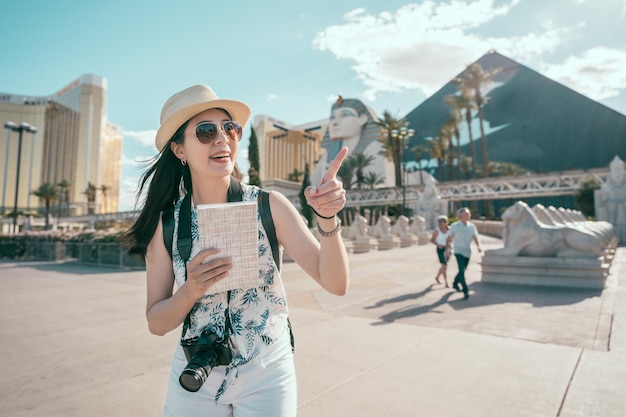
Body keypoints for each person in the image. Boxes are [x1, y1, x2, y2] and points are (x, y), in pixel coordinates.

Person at [121, 84, 350, 417]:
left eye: (230, 129)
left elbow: (336, 284)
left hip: (267, 372)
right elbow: (156, 322)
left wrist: (327, 219)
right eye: (205, 131)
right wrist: (191, 290)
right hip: (196, 376)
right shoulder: (168, 224)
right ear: (179, 150)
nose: (221, 138)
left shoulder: (270, 206)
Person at [447, 207, 482, 299]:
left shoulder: (472, 226)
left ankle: (455, 283)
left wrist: (479, 246)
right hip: (458, 250)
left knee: (462, 270)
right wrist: (448, 247)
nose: (468, 215)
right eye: (466, 214)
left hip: (467, 251)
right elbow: (450, 237)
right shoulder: (455, 225)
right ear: (461, 216)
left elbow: (475, 237)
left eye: (469, 214)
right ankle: (465, 290)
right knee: (462, 270)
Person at [430, 215, 451, 287]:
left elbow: (450, 240)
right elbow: (432, 240)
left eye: (444, 222)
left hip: (447, 249)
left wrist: (449, 245)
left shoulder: (449, 230)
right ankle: (446, 282)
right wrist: (438, 245)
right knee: (444, 265)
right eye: (441, 222)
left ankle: (437, 277)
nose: (443, 224)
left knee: (444, 266)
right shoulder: (437, 230)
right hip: (440, 249)